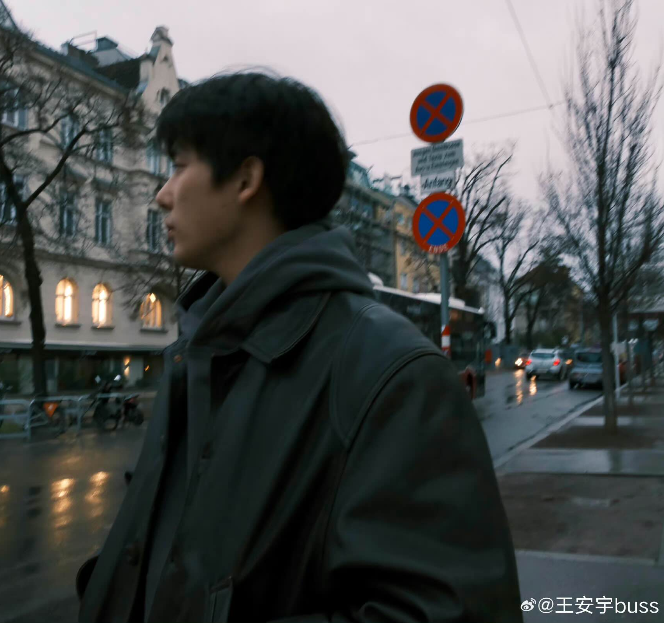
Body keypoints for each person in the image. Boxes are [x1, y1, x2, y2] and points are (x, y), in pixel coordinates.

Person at [77, 71, 522, 623]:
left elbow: (449, 609)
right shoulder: (199, 351)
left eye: (180, 166)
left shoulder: (393, 373)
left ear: (246, 179)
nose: (162, 194)